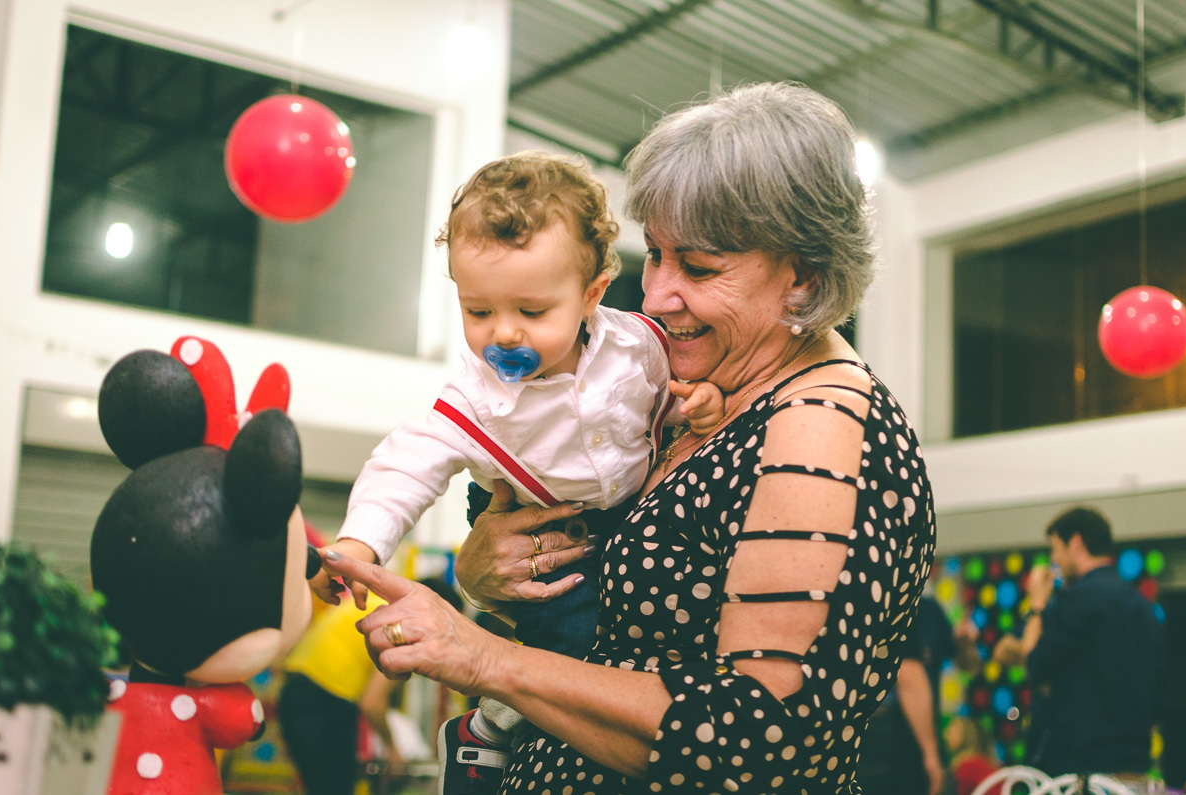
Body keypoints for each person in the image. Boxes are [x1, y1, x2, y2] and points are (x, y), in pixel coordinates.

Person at [321, 81, 937, 794]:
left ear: (802, 277)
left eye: (698, 267)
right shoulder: (699, 392)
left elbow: (762, 737)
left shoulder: (821, 429)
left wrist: (486, 659)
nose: (655, 295)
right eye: (656, 255)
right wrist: (486, 570)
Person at [312, 151, 724, 787]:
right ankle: (491, 727)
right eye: (478, 312)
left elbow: (663, 400)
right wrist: (360, 542)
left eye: (531, 312)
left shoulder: (638, 344)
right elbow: (407, 463)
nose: (503, 334)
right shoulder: (476, 398)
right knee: (581, 642)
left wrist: (697, 403)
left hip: (625, 512)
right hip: (539, 525)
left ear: (591, 295)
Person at [991, 506, 1163, 778]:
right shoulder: (1143, 607)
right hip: (1133, 766)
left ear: (1076, 542)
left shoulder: (1075, 601)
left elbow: (1035, 664)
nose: (1054, 559)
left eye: (1055, 549)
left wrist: (1036, 606)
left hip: (1080, 769)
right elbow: (1158, 693)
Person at [279, 577, 462, 795]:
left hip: (295, 693)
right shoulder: (400, 625)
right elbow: (372, 703)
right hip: (324, 703)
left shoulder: (376, 604)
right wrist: (393, 749)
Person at [856, 595, 973, 795]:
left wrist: (965, 643)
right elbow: (907, 675)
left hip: (912, 737)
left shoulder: (930, 609)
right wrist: (930, 754)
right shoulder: (895, 600)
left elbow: (970, 665)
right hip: (893, 744)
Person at [945, 716, 998, 795]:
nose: (946, 735)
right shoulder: (981, 761)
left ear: (966, 736)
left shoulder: (967, 767)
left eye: (953, 731)